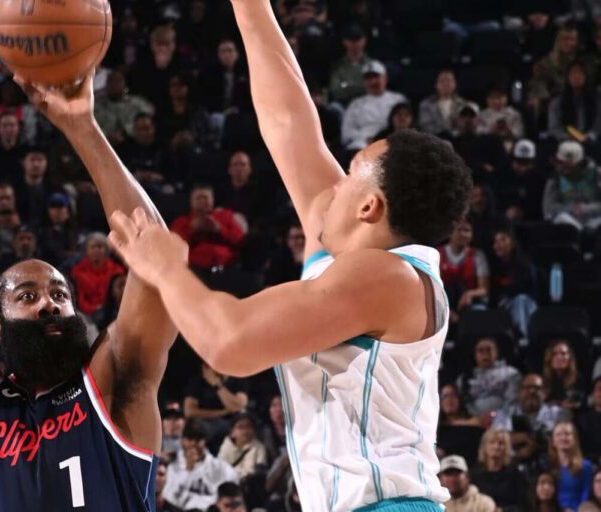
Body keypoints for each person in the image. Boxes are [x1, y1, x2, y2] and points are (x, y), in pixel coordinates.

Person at [105, 2, 473, 510]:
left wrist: (165, 267)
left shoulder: (387, 277)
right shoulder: (358, 253)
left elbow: (229, 343)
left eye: (352, 169)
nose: (337, 180)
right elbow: (288, 120)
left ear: (369, 206)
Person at [0, 40, 179, 510]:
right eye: (27, 295)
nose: (50, 303)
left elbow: (157, 261)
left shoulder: (111, 380)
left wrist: (82, 128)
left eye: (61, 293)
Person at [162, 425, 238, 511]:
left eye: (198, 439)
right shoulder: (172, 467)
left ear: (205, 441)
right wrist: (188, 470)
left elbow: (233, 497)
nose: (194, 443)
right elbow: (169, 498)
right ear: (182, 441)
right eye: (190, 439)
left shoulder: (222, 468)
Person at [169, 185, 246, 269]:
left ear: (212, 200)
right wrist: (192, 230)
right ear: (191, 202)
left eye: (205, 198)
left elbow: (241, 241)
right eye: (199, 198)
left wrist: (219, 230)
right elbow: (173, 247)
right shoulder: (181, 222)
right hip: (193, 269)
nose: (202, 201)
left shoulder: (226, 216)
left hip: (226, 268)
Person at [340, 59, 408, 151]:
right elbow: (347, 132)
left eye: (376, 77)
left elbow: (408, 124)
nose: (373, 82)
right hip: (364, 145)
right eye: (368, 78)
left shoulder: (398, 100)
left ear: (385, 78)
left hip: (394, 143)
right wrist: (365, 138)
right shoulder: (356, 104)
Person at [183, 362, 249, 447]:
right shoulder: (198, 381)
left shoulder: (239, 378)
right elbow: (189, 412)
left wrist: (217, 385)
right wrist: (222, 412)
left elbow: (237, 407)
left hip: (232, 422)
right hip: (207, 423)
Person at [543, 141, 601, 233]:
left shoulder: (596, 173)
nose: (562, 166)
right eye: (560, 162)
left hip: (594, 222)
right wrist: (571, 208)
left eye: (566, 163)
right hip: (569, 224)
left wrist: (584, 209)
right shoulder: (555, 177)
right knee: (560, 218)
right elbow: (548, 209)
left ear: (579, 162)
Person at [439, 218, 490, 324]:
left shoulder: (478, 255)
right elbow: (433, 289)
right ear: (450, 233)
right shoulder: (437, 254)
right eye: (459, 230)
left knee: (479, 311)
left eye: (467, 230)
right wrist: (447, 310)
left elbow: (484, 289)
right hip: (443, 302)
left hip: (469, 303)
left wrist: (469, 294)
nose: (463, 234)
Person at [488, 230, 538, 336]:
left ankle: (522, 336)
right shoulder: (494, 267)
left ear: (512, 243)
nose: (498, 245)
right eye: (495, 242)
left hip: (528, 304)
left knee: (520, 300)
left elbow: (530, 289)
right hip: (505, 304)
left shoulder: (524, 264)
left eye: (503, 240)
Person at [455, 337, 521, 417]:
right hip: (473, 420)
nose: (485, 354)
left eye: (489, 350)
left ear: (496, 352)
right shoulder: (463, 379)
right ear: (475, 355)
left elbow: (512, 401)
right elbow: (463, 405)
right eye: (480, 350)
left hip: (503, 419)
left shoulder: (510, 373)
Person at [494, 373, 570, 435]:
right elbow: (497, 438)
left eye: (537, 388)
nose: (532, 391)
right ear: (519, 392)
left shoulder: (557, 414)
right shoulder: (505, 412)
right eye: (527, 387)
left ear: (545, 393)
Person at [70, 232, 125, 315]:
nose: (96, 250)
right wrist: (95, 309)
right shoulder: (77, 271)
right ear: (86, 251)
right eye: (93, 247)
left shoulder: (117, 271)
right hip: (85, 313)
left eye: (100, 246)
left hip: (111, 312)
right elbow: (80, 299)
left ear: (107, 250)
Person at [470, 429, 526, 510]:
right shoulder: (474, 475)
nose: (496, 446)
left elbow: (522, 504)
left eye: (501, 443)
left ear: (506, 448)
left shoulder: (515, 474)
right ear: (484, 447)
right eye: (492, 442)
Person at [93, 70, 155, 144]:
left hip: (134, 144)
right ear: (106, 84)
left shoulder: (138, 103)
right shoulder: (97, 106)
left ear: (124, 83)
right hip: (105, 144)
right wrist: (107, 136)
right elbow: (92, 127)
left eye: (118, 81)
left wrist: (125, 131)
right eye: (111, 81)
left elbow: (148, 121)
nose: (114, 84)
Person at [546, 61, 601, 142]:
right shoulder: (557, 102)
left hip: (592, 142)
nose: (577, 76)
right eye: (573, 73)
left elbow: (598, 124)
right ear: (568, 78)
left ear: (586, 77)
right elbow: (553, 128)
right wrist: (567, 137)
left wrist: (590, 136)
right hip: (566, 142)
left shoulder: (596, 99)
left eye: (580, 73)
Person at [549, 421, 594, 510]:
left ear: (575, 439)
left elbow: (585, 496)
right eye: (558, 435)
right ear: (553, 441)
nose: (563, 438)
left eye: (567, 434)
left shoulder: (585, 466)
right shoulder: (547, 466)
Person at [418, 69, 475, 137]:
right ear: (436, 84)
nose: (446, 84)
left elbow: (466, 126)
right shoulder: (426, 105)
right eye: (442, 81)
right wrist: (446, 133)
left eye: (449, 80)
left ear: (455, 84)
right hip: (434, 140)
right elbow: (425, 126)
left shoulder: (463, 104)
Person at [438, 383, 486, 464]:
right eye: (445, 396)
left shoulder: (474, 425)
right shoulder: (436, 429)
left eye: (453, 395)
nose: (450, 399)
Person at [327, 25, 373, 106]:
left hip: (369, 103)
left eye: (358, 39)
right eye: (351, 40)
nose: (355, 43)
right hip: (345, 105)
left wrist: (348, 85)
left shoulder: (372, 65)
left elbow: (373, 88)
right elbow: (336, 90)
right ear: (345, 41)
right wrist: (360, 86)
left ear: (364, 40)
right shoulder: (338, 66)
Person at [217, 414, 268, 481]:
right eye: (240, 427)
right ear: (232, 432)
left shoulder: (260, 447)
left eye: (248, 427)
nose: (245, 431)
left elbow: (259, 472)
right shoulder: (226, 447)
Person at [543, 340, 587, 410]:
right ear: (549, 358)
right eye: (554, 354)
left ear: (570, 358)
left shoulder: (579, 380)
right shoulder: (542, 381)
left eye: (563, 353)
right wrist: (559, 404)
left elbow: (580, 402)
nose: (559, 357)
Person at [577, 378, 601, 462]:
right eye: (599, 389)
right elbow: (579, 449)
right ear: (593, 394)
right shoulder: (583, 420)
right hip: (591, 463)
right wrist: (597, 458)